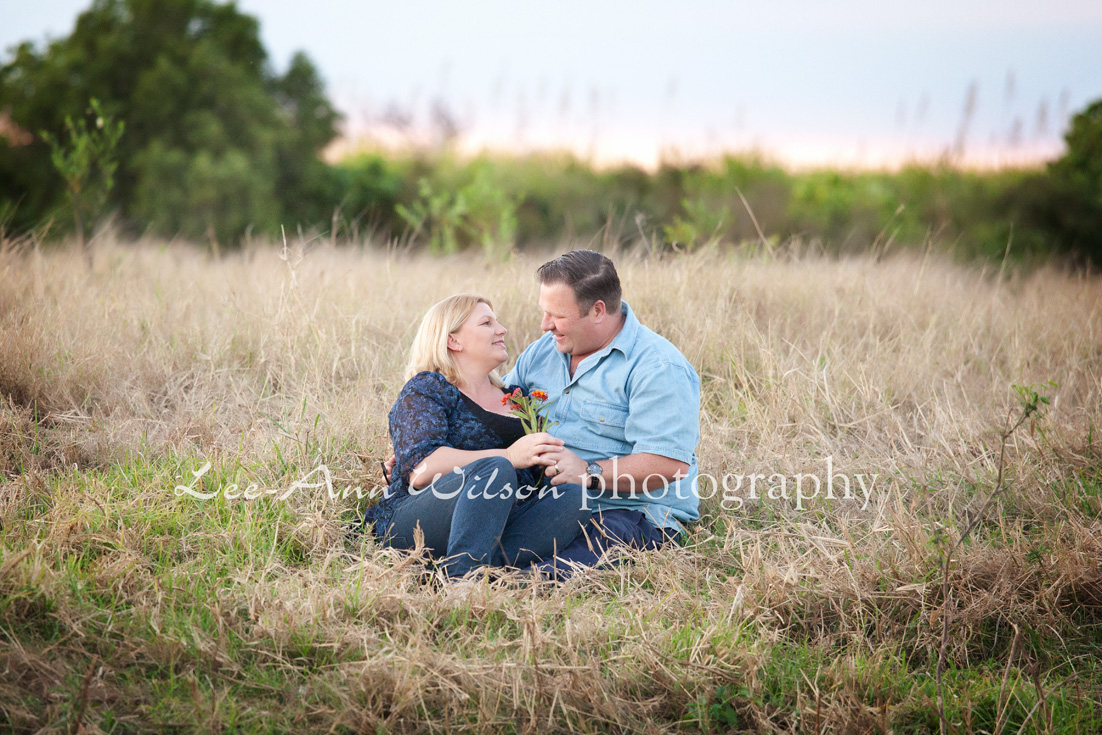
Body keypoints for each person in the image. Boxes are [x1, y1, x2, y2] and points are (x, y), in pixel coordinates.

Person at [362, 293, 592, 579]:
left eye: (497, 322)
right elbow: (421, 471)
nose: (502, 330)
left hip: (501, 520)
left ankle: (474, 568)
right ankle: (463, 582)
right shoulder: (428, 387)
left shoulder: (516, 398)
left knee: (574, 497)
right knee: (496, 469)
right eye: (486, 323)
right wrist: (509, 456)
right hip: (420, 517)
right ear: (453, 340)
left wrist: (549, 462)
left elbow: (533, 477)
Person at [502, 249, 701, 579]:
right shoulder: (542, 352)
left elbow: (669, 465)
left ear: (597, 311)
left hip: (627, 512)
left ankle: (524, 584)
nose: (545, 324)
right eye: (544, 312)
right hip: (547, 503)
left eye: (557, 315)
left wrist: (587, 472)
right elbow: (499, 407)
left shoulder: (658, 367)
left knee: (567, 561)